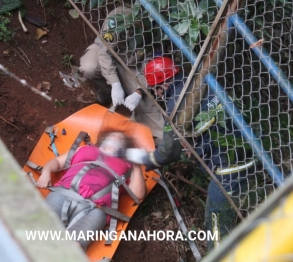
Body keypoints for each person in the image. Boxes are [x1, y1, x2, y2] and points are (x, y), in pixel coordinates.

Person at [126, 56, 255, 250]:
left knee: (216, 229)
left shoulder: (176, 106)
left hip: (227, 171)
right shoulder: (201, 83)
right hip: (248, 157)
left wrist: (138, 158)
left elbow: (166, 154)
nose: (157, 94)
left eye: (155, 90)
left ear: (162, 86)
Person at [36, 131, 146, 250]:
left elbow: (139, 194)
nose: (117, 136)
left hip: (97, 209)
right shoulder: (84, 149)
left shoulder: (127, 167)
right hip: (64, 192)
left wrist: (136, 165)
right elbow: (56, 162)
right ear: (103, 140)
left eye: (121, 138)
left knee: (74, 248)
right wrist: (46, 172)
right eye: (113, 134)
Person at [79, 5, 165, 143]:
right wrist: (115, 84)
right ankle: (106, 94)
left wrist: (139, 91)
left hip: (134, 65)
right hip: (106, 54)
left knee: (148, 107)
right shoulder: (118, 17)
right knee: (89, 67)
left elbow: (152, 65)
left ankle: (147, 141)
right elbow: (104, 53)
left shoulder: (159, 26)